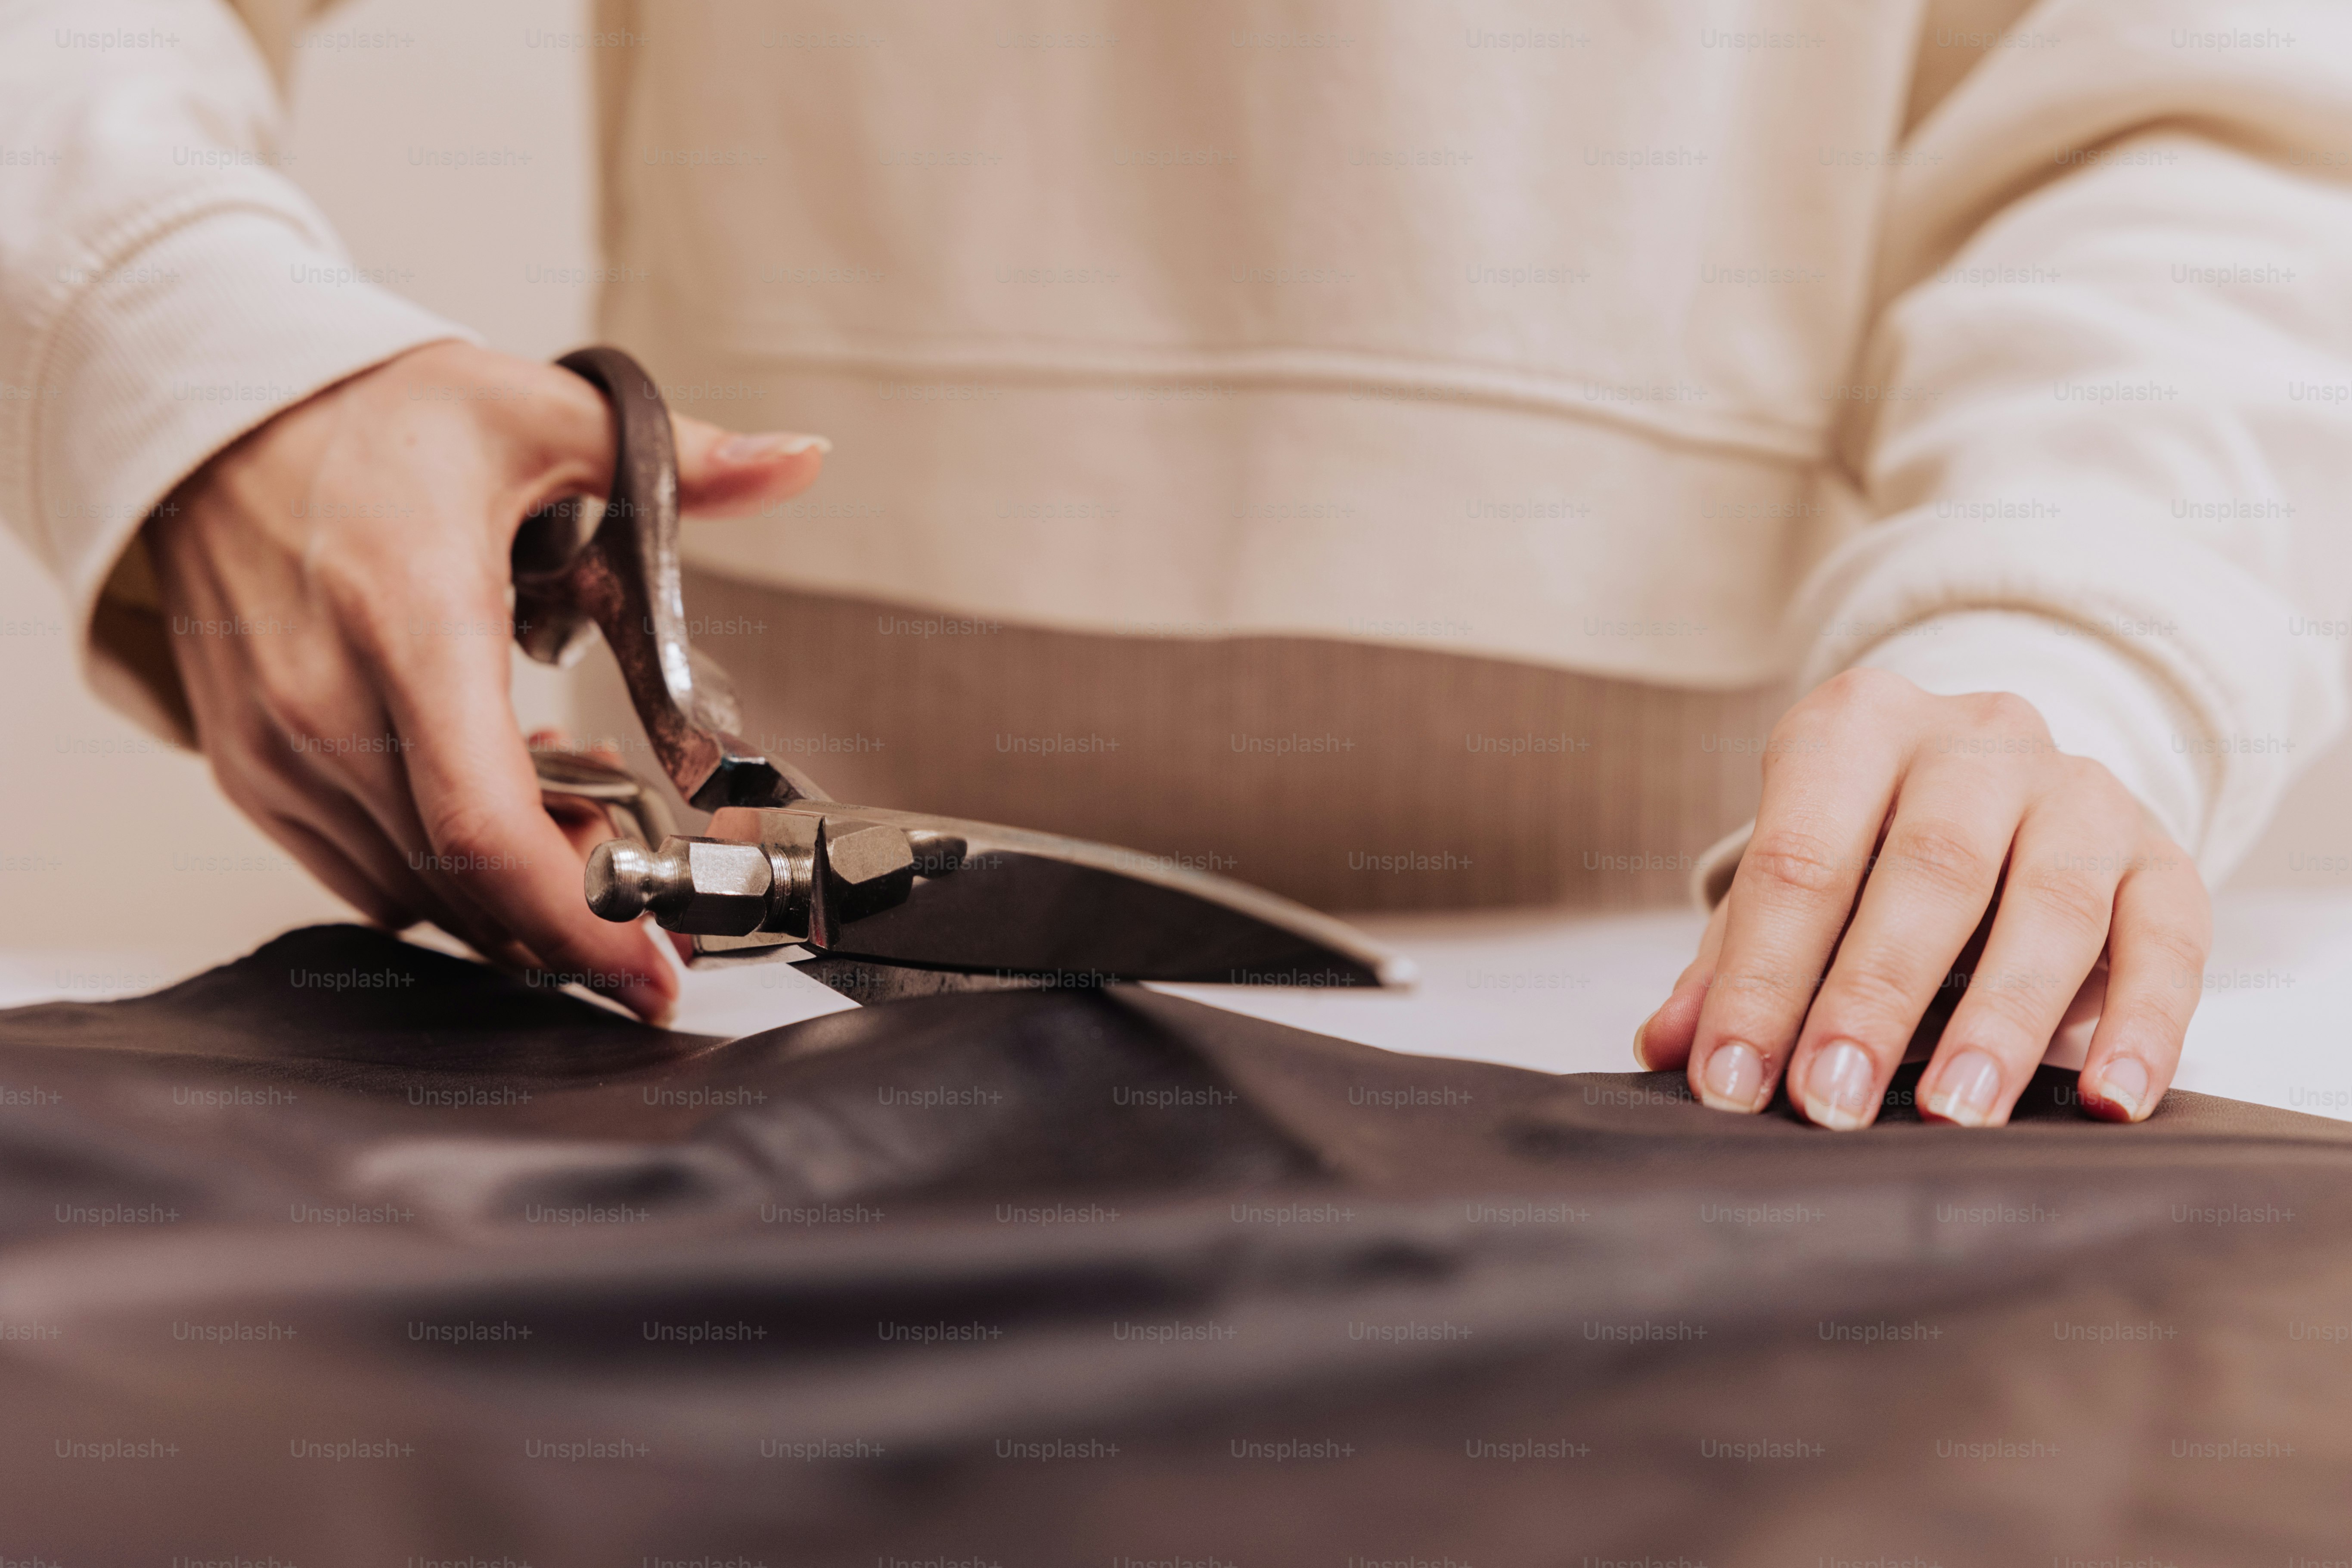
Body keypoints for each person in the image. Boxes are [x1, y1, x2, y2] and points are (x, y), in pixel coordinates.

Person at [6, 1, 2347, 1132]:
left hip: (1759, 959)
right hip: (739, 1042)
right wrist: (196, 351)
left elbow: (2200, 101)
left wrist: (2067, 630)